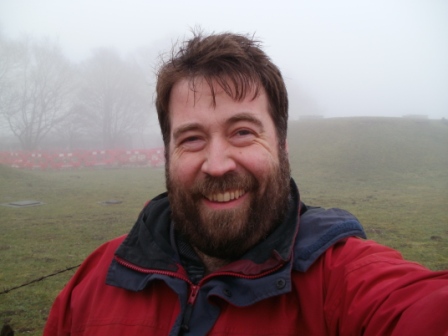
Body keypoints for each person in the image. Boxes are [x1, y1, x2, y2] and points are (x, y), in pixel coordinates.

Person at [44, 31, 448, 336]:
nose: (217, 165)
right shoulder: (98, 276)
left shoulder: (340, 280)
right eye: (192, 138)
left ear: (283, 146)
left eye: (242, 132)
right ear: (168, 154)